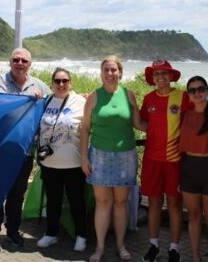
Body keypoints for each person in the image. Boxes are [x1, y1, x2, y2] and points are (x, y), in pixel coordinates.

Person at [0, 48, 50, 248]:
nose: (20, 63)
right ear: (10, 62)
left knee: (16, 196)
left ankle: (12, 231)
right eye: (16, 60)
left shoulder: (39, 86)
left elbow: (58, 98)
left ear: (30, 64)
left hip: (23, 153)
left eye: (24, 60)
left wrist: (82, 96)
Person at [80, 55, 145, 262]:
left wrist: (166, 130)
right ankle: (99, 248)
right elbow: (85, 129)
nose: (110, 73)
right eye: (106, 70)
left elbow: (138, 124)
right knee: (103, 202)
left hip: (126, 156)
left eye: (114, 70)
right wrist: (83, 157)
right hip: (99, 155)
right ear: (101, 73)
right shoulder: (93, 97)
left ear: (120, 72)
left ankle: (120, 245)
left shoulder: (129, 95)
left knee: (121, 202)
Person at [140, 60, 191, 262]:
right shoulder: (148, 98)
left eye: (165, 73)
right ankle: (153, 246)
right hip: (152, 159)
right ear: (152, 79)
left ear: (171, 77)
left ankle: (174, 248)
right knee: (153, 204)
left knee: (174, 205)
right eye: (156, 74)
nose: (161, 77)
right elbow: (143, 122)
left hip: (174, 160)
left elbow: (193, 123)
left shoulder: (183, 97)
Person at [36, 68, 87, 252]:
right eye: (57, 81)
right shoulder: (46, 100)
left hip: (74, 163)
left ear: (70, 82)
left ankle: (81, 235)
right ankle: (51, 234)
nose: (61, 84)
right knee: (53, 201)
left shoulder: (81, 101)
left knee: (76, 201)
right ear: (52, 83)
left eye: (65, 81)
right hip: (50, 163)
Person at [179, 76, 208, 262]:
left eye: (201, 89)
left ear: (206, 90)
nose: (197, 93)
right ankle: (196, 256)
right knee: (194, 215)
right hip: (189, 167)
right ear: (188, 95)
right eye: (192, 90)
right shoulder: (186, 114)